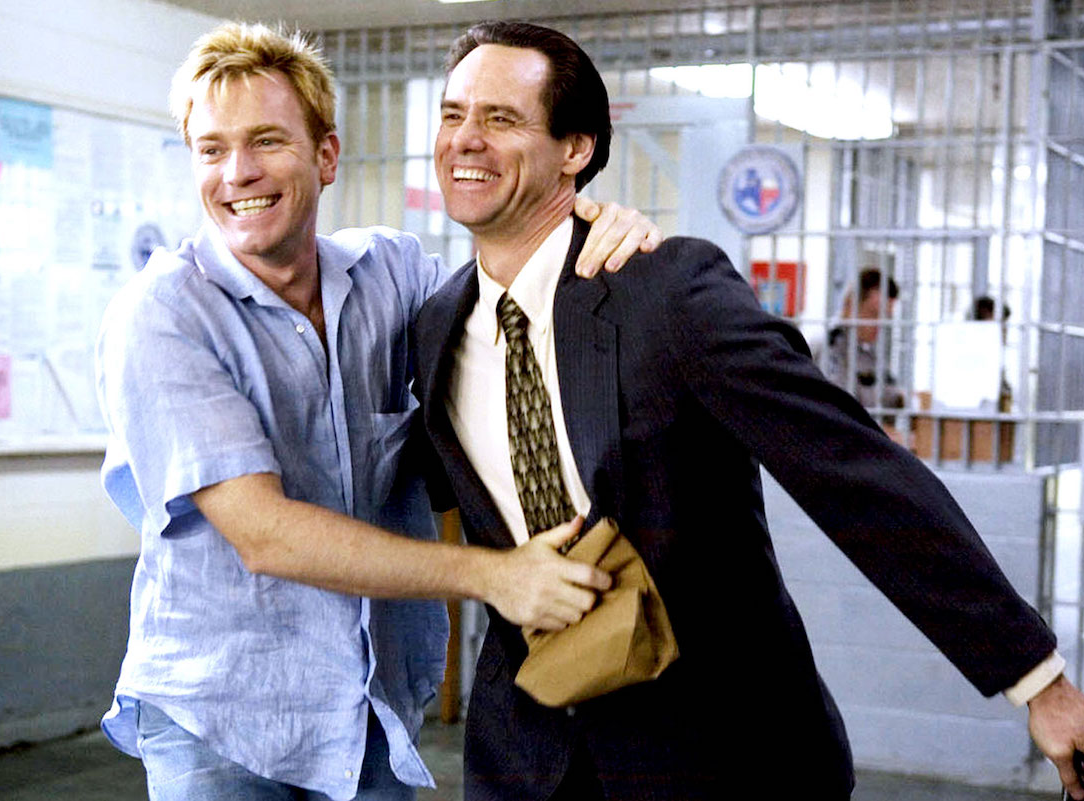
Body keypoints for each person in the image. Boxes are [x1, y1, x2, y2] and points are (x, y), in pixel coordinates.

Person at [410, 20, 1084, 801]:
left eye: (500, 118)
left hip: (716, 751)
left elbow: (853, 473)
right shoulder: (437, 327)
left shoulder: (666, 292)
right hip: (530, 759)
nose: (465, 139)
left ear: (574, 149)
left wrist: (1036, 677)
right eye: (453, 114)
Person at [95, 21, 661, 801]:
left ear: (326, 156)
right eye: (211, 149)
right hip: (222, 721)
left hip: (367, 711)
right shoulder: (163, 314)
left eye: (266, 141)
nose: (237, 173)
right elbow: (263, 533)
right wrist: (498, 577)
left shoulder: (390, 275)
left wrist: (591, 230)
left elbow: (512, 308)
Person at [825, 267, 905, 409]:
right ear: (850, 305)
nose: (880, 325)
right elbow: (839, 406)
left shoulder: (868, 350)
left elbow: (890, 393)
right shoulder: (829, 347)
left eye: (885, 318)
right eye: (874, 314)